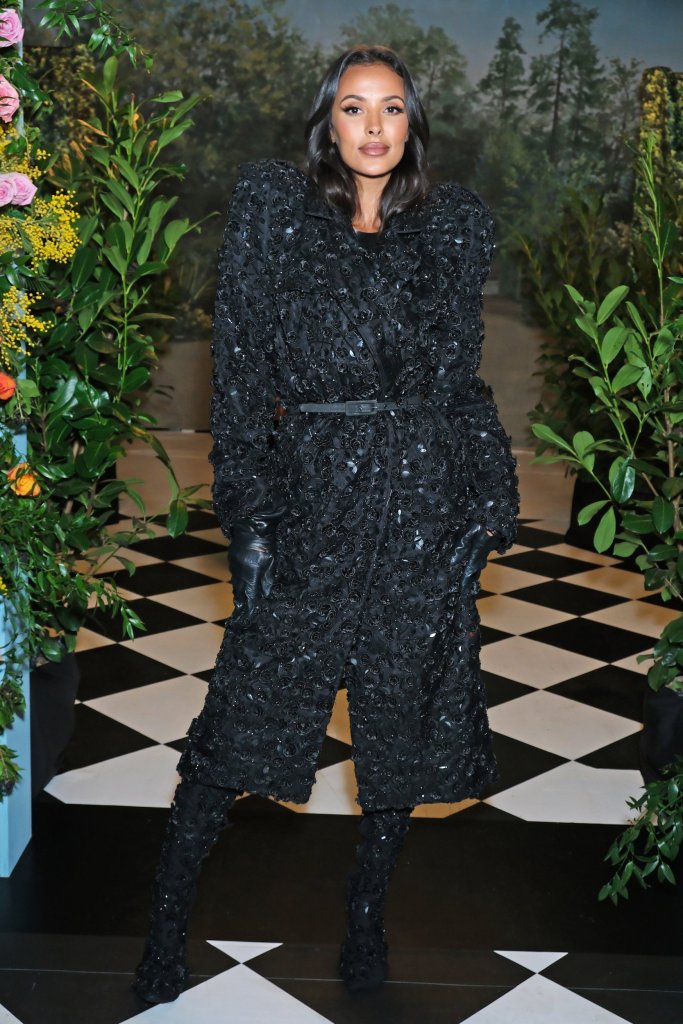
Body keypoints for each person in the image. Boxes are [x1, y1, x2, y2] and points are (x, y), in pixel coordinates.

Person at [133, 43, 519, 1004]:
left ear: (412, 122)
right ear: (327, 122)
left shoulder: (451, 228)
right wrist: (249, 517)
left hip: (425, 508)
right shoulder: (277, 212)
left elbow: (464, 386)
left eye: (392, 108)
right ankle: (164, 929)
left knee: (394, 739)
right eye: (354, 107)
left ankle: (363, 918)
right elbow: (242, 376)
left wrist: (486, 501)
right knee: (235, 727)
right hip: (313, 501)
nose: (375, 127)